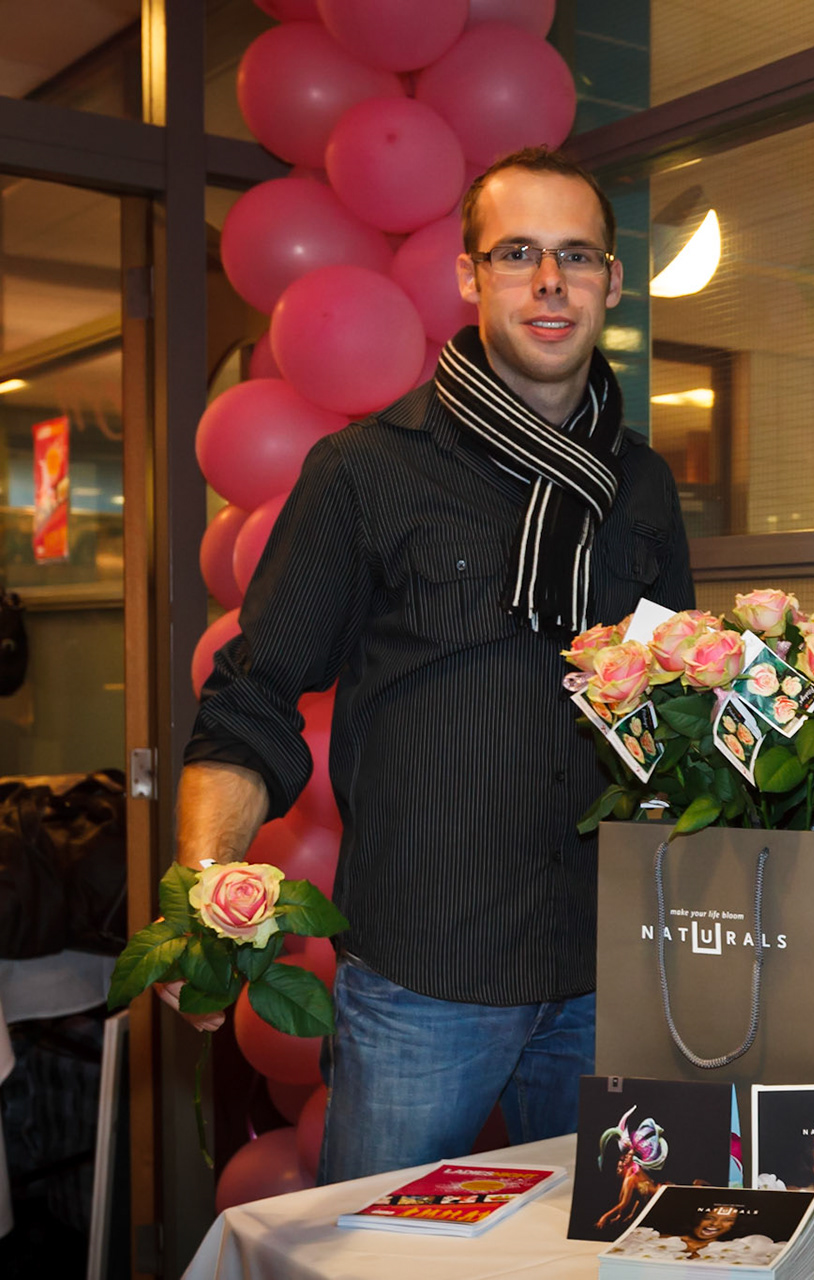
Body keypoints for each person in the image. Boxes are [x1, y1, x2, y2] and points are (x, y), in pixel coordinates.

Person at [164, 145, 695, 1183]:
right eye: (518, 253)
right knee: (377, 1247)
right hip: (421, 977)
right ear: (468, 275)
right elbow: (251, 698)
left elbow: (672, 704)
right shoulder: (365, 469)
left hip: (606, 968)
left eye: (578, 255)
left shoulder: (643, 485)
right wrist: (203, 896)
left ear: (613, 282)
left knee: (607, 1246)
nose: (550, 282)